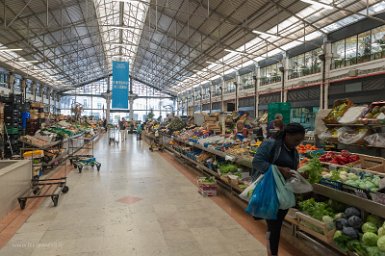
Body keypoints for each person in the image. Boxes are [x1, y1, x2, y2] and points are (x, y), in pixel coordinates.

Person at [251, 123, 305, 256]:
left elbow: (291, 170)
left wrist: (298, 174)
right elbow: (257, 162)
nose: (298, 144)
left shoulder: (293, 151)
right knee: (274, 226)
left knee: (276, 225)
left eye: (300, 141)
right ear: (287, 135)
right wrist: (279, 169)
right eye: (296, 140)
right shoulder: (271, 144)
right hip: (270, 190)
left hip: (284, 193)